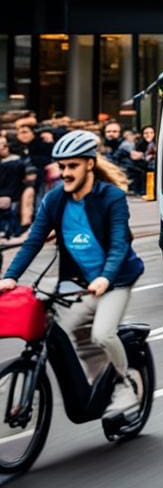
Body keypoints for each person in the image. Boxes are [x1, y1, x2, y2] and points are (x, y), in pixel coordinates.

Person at [0, 130, 145, 418]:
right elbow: (34, 241)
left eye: (72, 166)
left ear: (90, 164)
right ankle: (95, 384)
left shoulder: (111, 197)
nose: (65, 173)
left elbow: (119, 243)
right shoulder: (55, 200)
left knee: (102, 334)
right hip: (77, 280)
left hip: (116, 279)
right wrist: (10, 276)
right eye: (62, 166)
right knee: (61, 326)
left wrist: (106, 277)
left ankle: (125, 383)